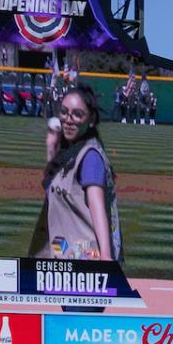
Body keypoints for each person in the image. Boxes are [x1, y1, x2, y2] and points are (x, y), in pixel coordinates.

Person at [28, 84, 123, 263]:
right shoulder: (71, 152)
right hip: (66, 254)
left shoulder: (90, 157)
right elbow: (52, 191)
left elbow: (98, 207)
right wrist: (51, 148)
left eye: (77, 114)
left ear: (91, 119)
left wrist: (106, 255)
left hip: (85, 260)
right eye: (64, 112)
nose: (68, 120)